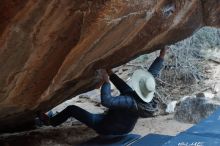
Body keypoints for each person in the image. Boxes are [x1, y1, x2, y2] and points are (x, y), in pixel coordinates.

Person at [38, 47, 168, 135]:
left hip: (107, 128)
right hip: (124, 127)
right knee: (126, 90)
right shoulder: (145, 98)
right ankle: (53, 116)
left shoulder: (130, 102)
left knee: (72, 109)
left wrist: (106, 82)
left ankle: (51, 122)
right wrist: (162, 56)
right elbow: (152, 74)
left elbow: (107, 101)